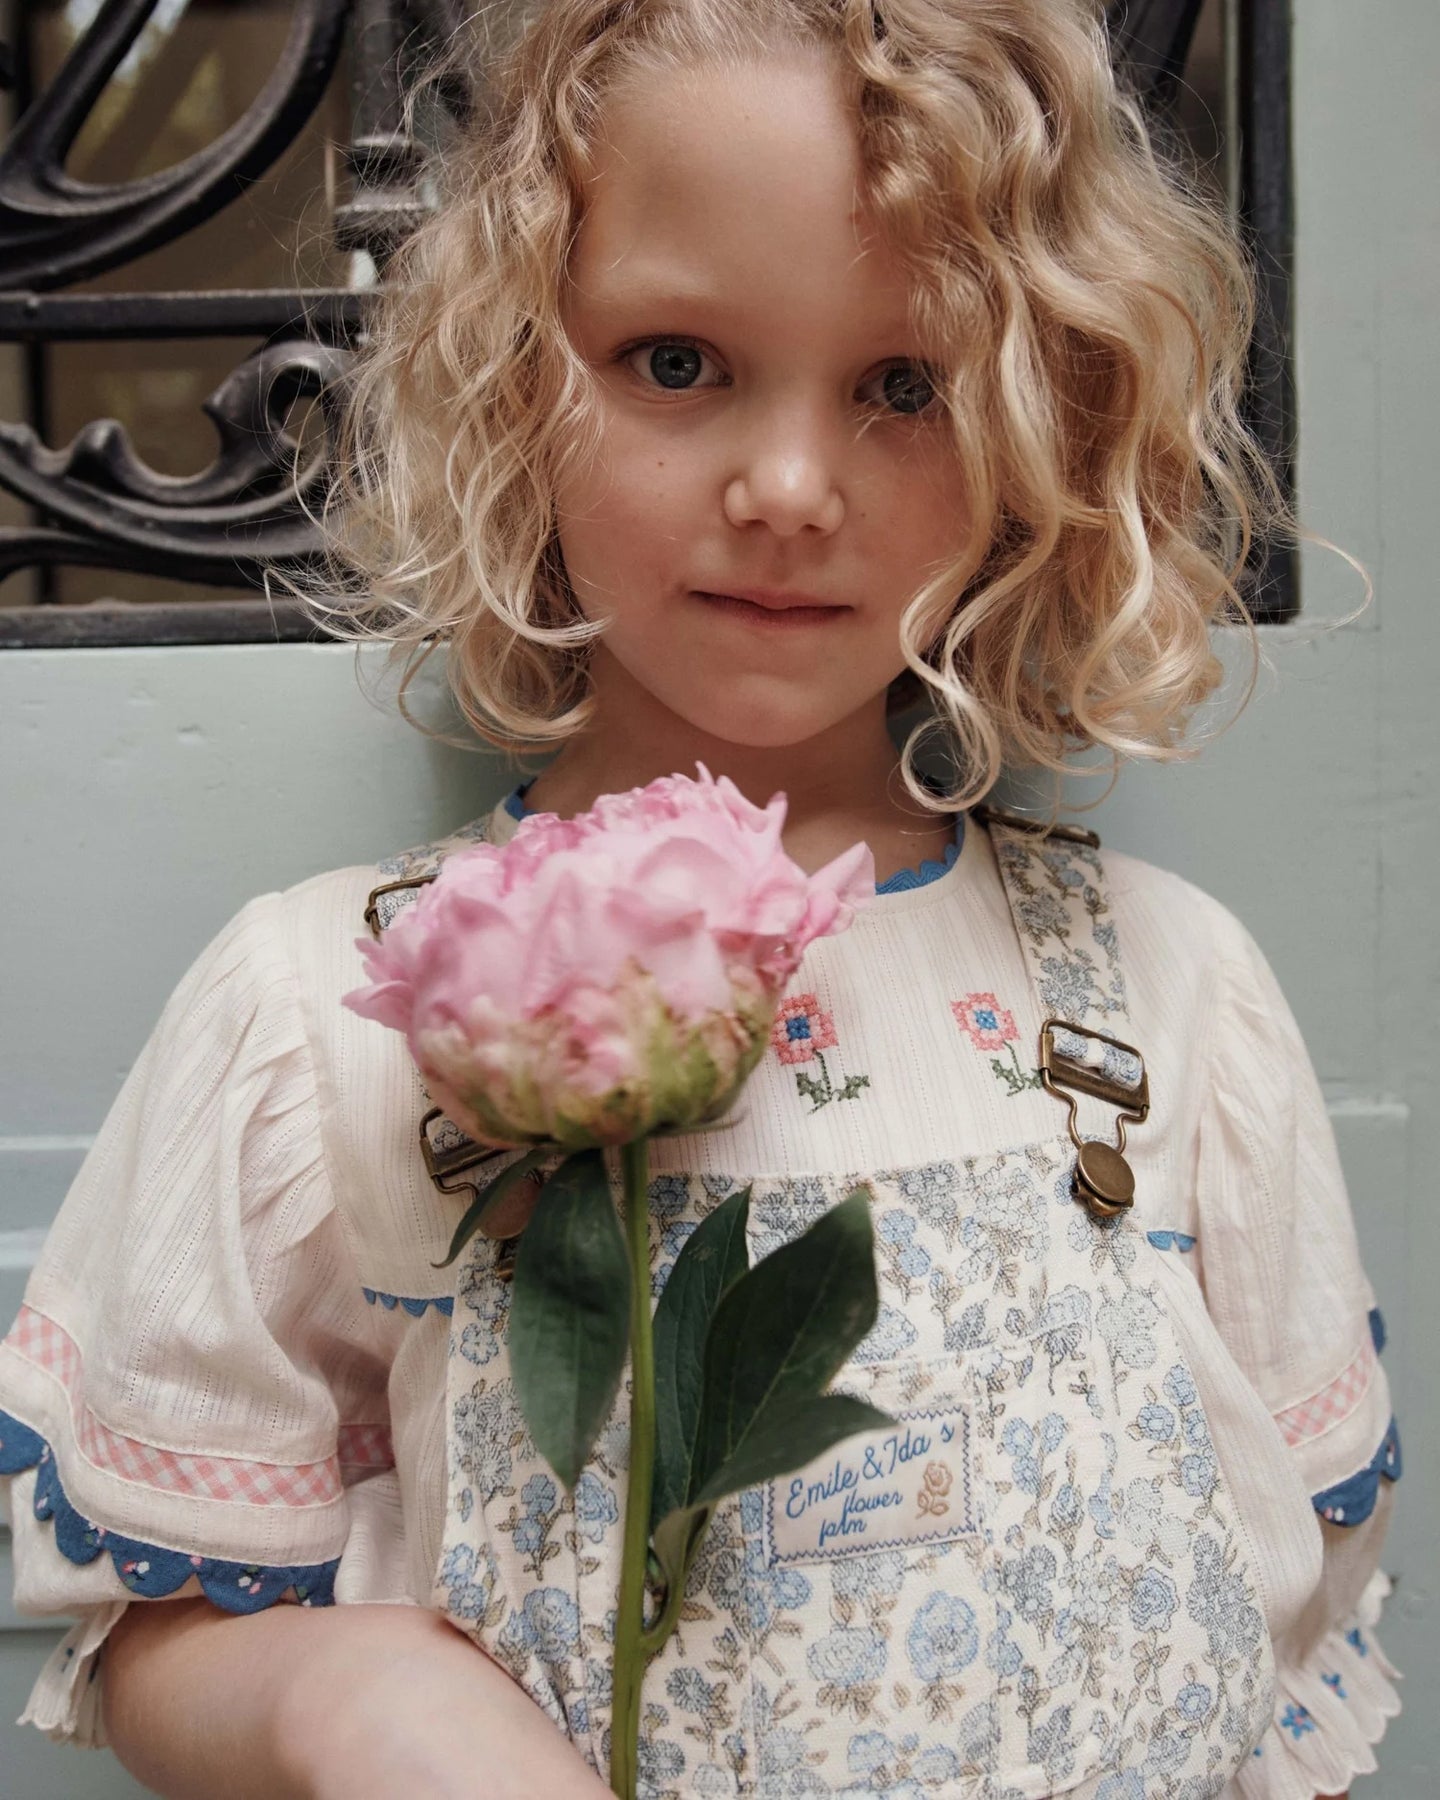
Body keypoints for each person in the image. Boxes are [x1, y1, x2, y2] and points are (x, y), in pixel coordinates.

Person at [0, 2, 1400, 1796]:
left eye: (907, 386)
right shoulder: (334, 1011)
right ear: (518, 378)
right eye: (676, 362)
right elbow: (158, 1637)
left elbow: (1295, 1583)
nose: (789, 489)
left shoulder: (1163, 986)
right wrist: (350, 1700)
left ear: (1044, 422)